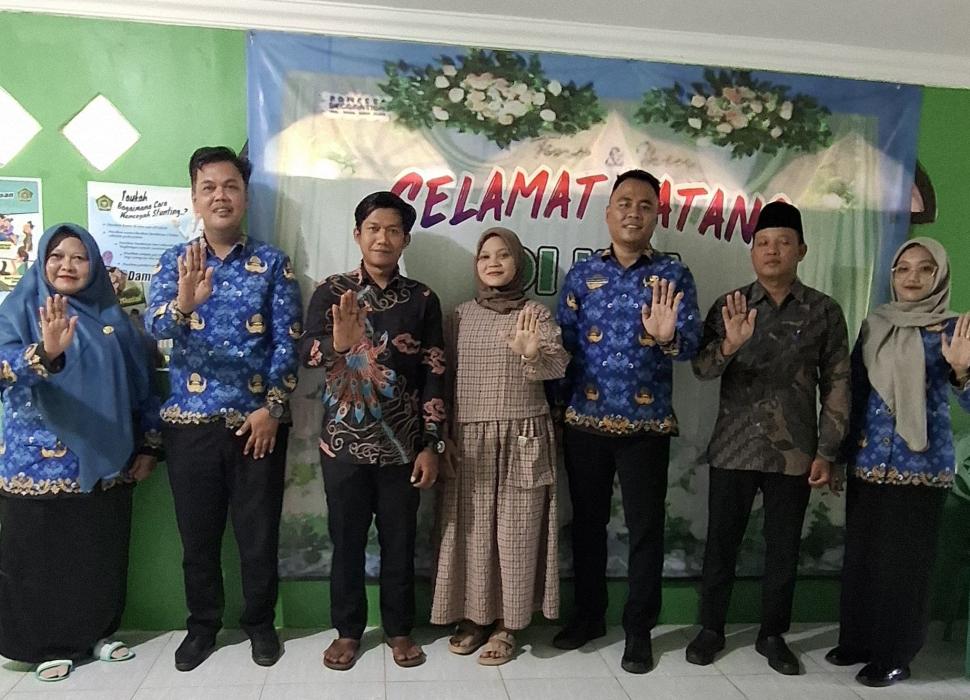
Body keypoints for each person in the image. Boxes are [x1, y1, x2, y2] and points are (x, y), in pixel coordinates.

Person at [145, 146, 302, 671]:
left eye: (231, 186)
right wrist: (184, 304)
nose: (220, 196)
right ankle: (202, 627)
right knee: (198, 538)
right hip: (190, 426)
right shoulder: (175, 262)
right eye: (209, 187)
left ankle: (260, 624)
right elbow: (154, 329)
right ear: (194, 198)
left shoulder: (272, 263)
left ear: (245, 196)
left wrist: (273, 407)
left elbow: (288, 341)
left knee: (258, 536)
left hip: (256, 424)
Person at [686, 201, 850, 675]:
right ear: (752, 252)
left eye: (783, 242)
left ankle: (772, 634)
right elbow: (701, 369)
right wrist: (730, 344)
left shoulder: (823, 311)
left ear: (801, 250)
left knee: (783, 549)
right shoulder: (731, 305)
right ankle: (711, 628)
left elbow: (838, 382)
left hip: (794, 452)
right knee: (721, 545)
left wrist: (827, 450)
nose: (772, 250)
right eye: (763, 243)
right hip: (734, 446)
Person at [553, 169, 701, 674]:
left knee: (645, 530)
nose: (633, 212)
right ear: (608, 212)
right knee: (587, 525)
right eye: (624, 203)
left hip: (646, 426)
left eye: (644, 205)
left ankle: (639, 630)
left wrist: (666, 337)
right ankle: (588, 616)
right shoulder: (582, 275)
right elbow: (562, 348)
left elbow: (692, 346)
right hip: (585, 422)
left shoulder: (674, 276)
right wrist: (555, 409)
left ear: (657, 215)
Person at [0, 224, 159, 682]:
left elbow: (143, 386)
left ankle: (97, 633)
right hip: (35, 461)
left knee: (97, 552)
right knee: (37, 557)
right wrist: (45, 353)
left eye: (79, 257)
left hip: (108, 457)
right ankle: (42, 645)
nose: (67, 265)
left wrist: (149, 444)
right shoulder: (18, 310)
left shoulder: (114, 318)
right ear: (42, 262)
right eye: (57, 256)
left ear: (93, 264)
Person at [301, 191, 445, 671]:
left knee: (400, 542)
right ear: (358, 234)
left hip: (403, 448)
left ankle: (400, 629)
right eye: (374, 228)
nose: (383, 238)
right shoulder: (331, 291)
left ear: (405, 240)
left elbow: (435, 370)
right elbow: (306, 353)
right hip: (342, 446)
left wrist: (432, 443)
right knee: (346, 542)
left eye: (393, 230)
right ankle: (347, 632)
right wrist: (338, 345)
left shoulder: (423, 299)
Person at [826, 237, 970, 688]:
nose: (912, 277)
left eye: (925, 269)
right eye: (903, 268)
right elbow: (854, 391)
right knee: (863, 558)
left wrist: (962, 371)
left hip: (922, 467)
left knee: (904, 566)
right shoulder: (876, 324)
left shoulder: (955, 329)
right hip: (869, 460)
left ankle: (894, 655)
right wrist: (838, 456)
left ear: (939, 276)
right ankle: (858, 641)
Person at [431, 227, 568, 665]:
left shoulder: (535, 313)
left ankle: (509, 624)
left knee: (516, 534)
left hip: (522, 438)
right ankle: (474, 617)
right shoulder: (459, 316)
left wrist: (531, 354)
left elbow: (557, 366)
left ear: (519, 263)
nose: (493, 263)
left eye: (503, 255)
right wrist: (442, 434)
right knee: (470, 533)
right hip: (469, 441)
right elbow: (442, 379)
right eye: (484, 256)